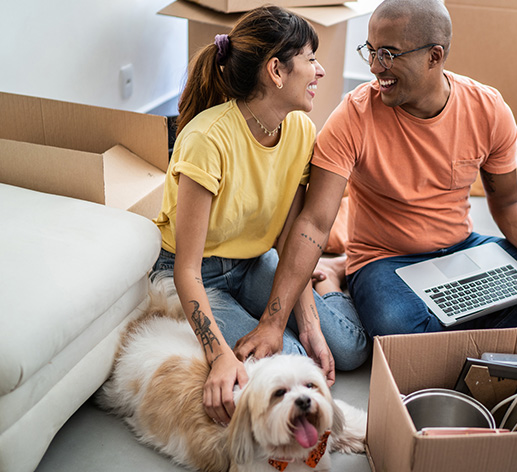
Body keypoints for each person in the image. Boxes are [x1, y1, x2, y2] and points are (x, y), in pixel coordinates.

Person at [233, 0, 517, 357]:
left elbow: (509, 204)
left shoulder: (489, 109)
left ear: (434, 56)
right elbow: (314, 222)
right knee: (397, 327)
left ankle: (454, 342)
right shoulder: (353, 116)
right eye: (370, 52)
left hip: (461, 250)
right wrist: (272, 323)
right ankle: (476, 338)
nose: (374, 68)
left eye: (388, 54)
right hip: (382, 261)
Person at [150, 6, 369, 426]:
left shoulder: (301, 129)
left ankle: (332, 279)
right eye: (310, 58)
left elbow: (291, 237)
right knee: (295, 365)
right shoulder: (206, 139)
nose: (320, 71)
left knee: (348, 347)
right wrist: (217, 356)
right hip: (197, 276)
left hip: (253, 261)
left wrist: (304, 320)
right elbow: (186, 269)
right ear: (276, 71)